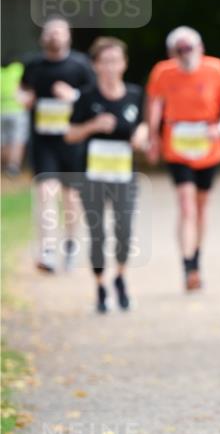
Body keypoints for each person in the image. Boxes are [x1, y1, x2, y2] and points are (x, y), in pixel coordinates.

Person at [145, 27, 220, 290]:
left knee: (201, 207)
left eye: (189, 48)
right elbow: (155, 104)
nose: (185, 54)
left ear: (200, 48)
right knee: (185, 203)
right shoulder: (163, 73)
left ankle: (197, 259)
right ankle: (187, 263)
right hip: (177, 145)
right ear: (172, 53)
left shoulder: (215, 69)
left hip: (208, 146)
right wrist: (153, 137)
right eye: (179, 49)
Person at [66, 37, 147, 313]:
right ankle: (100, 285)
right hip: (93, 175)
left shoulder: (135, 95)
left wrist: (141, 136)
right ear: (95, 65)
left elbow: (144, 127)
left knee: (124, 230)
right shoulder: (87, 97)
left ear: (124, 64)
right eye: (105, 62)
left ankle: (121, 277)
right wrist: (92, 125)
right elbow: (69, 133)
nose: (111, 67)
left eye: (116, 61)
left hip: (123, 175)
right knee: (97, 234)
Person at [19, 17, 95, 272]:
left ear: (68, 36)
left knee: (71, 198)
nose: (54, 36)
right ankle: (48, 250)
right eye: (50, 32)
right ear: (43, 37)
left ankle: (71, 245)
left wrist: (72, 95)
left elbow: (93, 98)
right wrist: (24, 98)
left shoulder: (80, 65)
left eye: (59, 32)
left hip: (72, 141)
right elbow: (22, 90)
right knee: (45, 192)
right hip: (43, 140)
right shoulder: (33, 65)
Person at [1, 58, 29, 176]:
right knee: (17, 139)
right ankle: (13, 166)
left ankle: (4, 165)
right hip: (17, 109)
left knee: (3, 140)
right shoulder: (18, 69)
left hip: (2, 110)